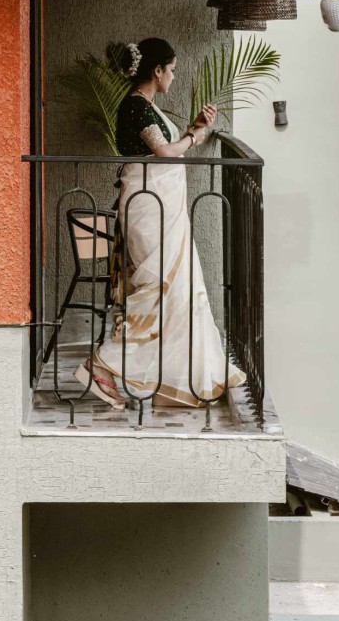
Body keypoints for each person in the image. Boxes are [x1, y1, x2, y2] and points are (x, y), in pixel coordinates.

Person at [76, 36, 245, 410]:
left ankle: (159, 372)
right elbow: (165, 153)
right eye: (171, 70)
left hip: (162, 208)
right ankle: (102, 364)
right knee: (156, 287)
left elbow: (172, 147)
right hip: (148, 207)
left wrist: (196, 128)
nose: (174, 76)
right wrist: (189, 136)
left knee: (173, 290)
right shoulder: (136, 107)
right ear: (157, 70)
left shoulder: (149, 107)